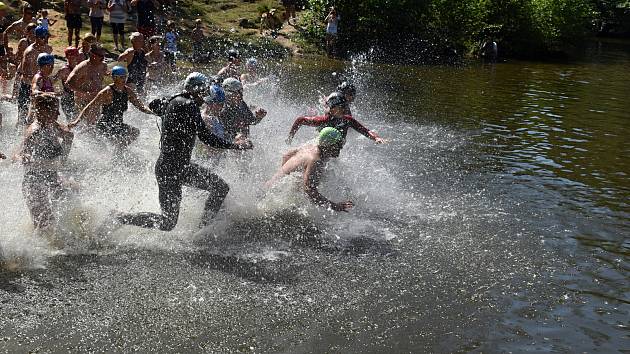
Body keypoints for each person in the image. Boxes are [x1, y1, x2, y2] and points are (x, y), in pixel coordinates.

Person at [114, 72, 252, 231]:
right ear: (196, 91)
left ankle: (120, 217)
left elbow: (154, 104)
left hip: (170, 167)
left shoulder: (175, 101)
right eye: (204, 93)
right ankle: (201, 230)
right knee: (219, 189)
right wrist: (235, 146)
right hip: (174, 168)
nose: (205, 98)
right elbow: (206, 137)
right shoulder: (189, 106)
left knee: (168, 222)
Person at [17, 93, 74, 230]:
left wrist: (63, 159)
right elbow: (18, 153)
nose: (58, 113)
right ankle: (37, 248)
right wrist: (23, 156)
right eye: (55, 110)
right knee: (44, 224)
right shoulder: (34, 131)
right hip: (34, 181)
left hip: (52, 175)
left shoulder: (52, 125)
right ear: (42, 111)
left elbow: (69, 135)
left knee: (73, 198)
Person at [266, 127, 353, 212]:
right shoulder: (315, 160)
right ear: (329, 145)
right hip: (272, 197)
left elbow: (286, 155)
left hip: (270, 187)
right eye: (339, 144)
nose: (341, 147)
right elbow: (309, 191)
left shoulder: (310, 147)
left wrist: (283, 173)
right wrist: (335, 206)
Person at [68, 66, 152, 147]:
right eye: (121, 77)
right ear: (114, 78)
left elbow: (141, 107)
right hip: (105, 125)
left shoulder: (128, 91)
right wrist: (76, 122)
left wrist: (154, 112)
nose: (124, 79)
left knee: (134, 132)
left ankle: (119, 152)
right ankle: (117, 153)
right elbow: (90, 107)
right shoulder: (107, 92)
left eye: (125, 77)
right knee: (119, 141)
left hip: (118, 125)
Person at [286, 92, 386, 147]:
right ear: (332, 109)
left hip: (336, 149)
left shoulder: (348, 120)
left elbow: (365, 131)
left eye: (345, 106)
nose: (345, 109)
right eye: (341, 107)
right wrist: (290, 138)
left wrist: (376, 138)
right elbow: (300, 120)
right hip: (322, 146)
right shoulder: (323, 120)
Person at [17, 26, 52, 126]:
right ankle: (18, 137)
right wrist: (36, 79)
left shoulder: (48, 49)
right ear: (36, 37)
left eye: (46, 37)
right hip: (27, 86)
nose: (45, 40)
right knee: (22, 117)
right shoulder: (29, 52)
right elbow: (23, 72)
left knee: (39, 116)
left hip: (41, 86)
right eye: (42, 38)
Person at [218, 77, 266, 143]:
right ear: (228, 93)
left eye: (241, 91)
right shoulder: (222, 110)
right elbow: (223, 136)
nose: (241, 95)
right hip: (232, 147)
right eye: (238, 92)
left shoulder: (241, 104)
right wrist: (236, 140)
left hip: (245, 144)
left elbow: (251, 121)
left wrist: (259, 117)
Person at [65, 43, 108, 111]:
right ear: (91, 54)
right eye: (100, 56)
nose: (103, 58)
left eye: (104, 55)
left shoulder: (103, 66)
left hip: (96, 100)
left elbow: (99, 78)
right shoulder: (83, 67)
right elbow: (68, 83)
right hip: (83, 102)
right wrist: (85, 92)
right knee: (86, 121)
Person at [53, 46, 81, 120]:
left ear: (77, 56)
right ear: (66, 57)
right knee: (70, 119)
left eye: (73, 55)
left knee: (78, 119)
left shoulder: (79, 68)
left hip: (78, 97)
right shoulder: (64, 70)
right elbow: (52, 81)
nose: (72, 57)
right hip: (67, 97)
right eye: (69, 55)